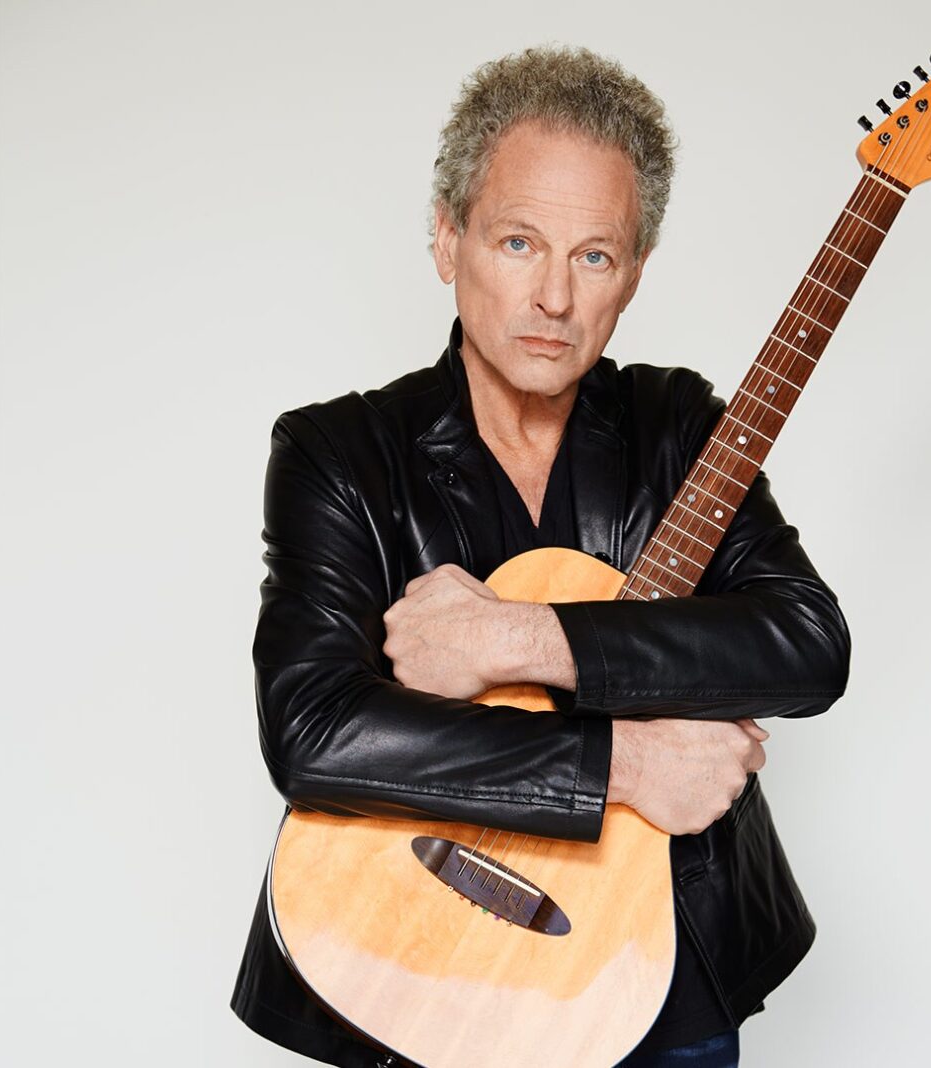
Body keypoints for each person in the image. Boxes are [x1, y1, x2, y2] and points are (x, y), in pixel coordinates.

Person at [230, 45, 850, 1068]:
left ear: (634, 274)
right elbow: (316, 734)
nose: (554, 297)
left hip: (658, 967)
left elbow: (806, 645)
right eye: (519, 242)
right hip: (410, 964)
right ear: (447, 239)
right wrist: (625, 765)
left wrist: (521, 638)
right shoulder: (338, 453)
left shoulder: (677, 426)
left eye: (594, 256)